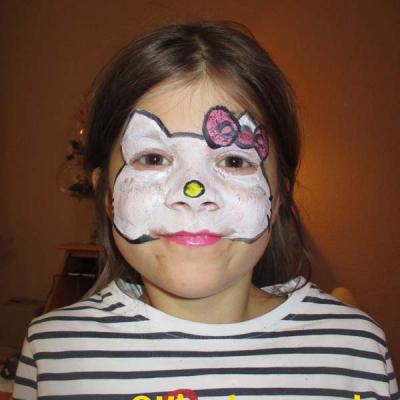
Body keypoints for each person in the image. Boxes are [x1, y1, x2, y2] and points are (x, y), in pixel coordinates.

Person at [13, 21, 398, 400]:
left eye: (234, 161)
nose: (193, 193)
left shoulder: (354, 353)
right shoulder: (55, 355)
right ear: (107, 196)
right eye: (153, 158)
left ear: (279, 195)